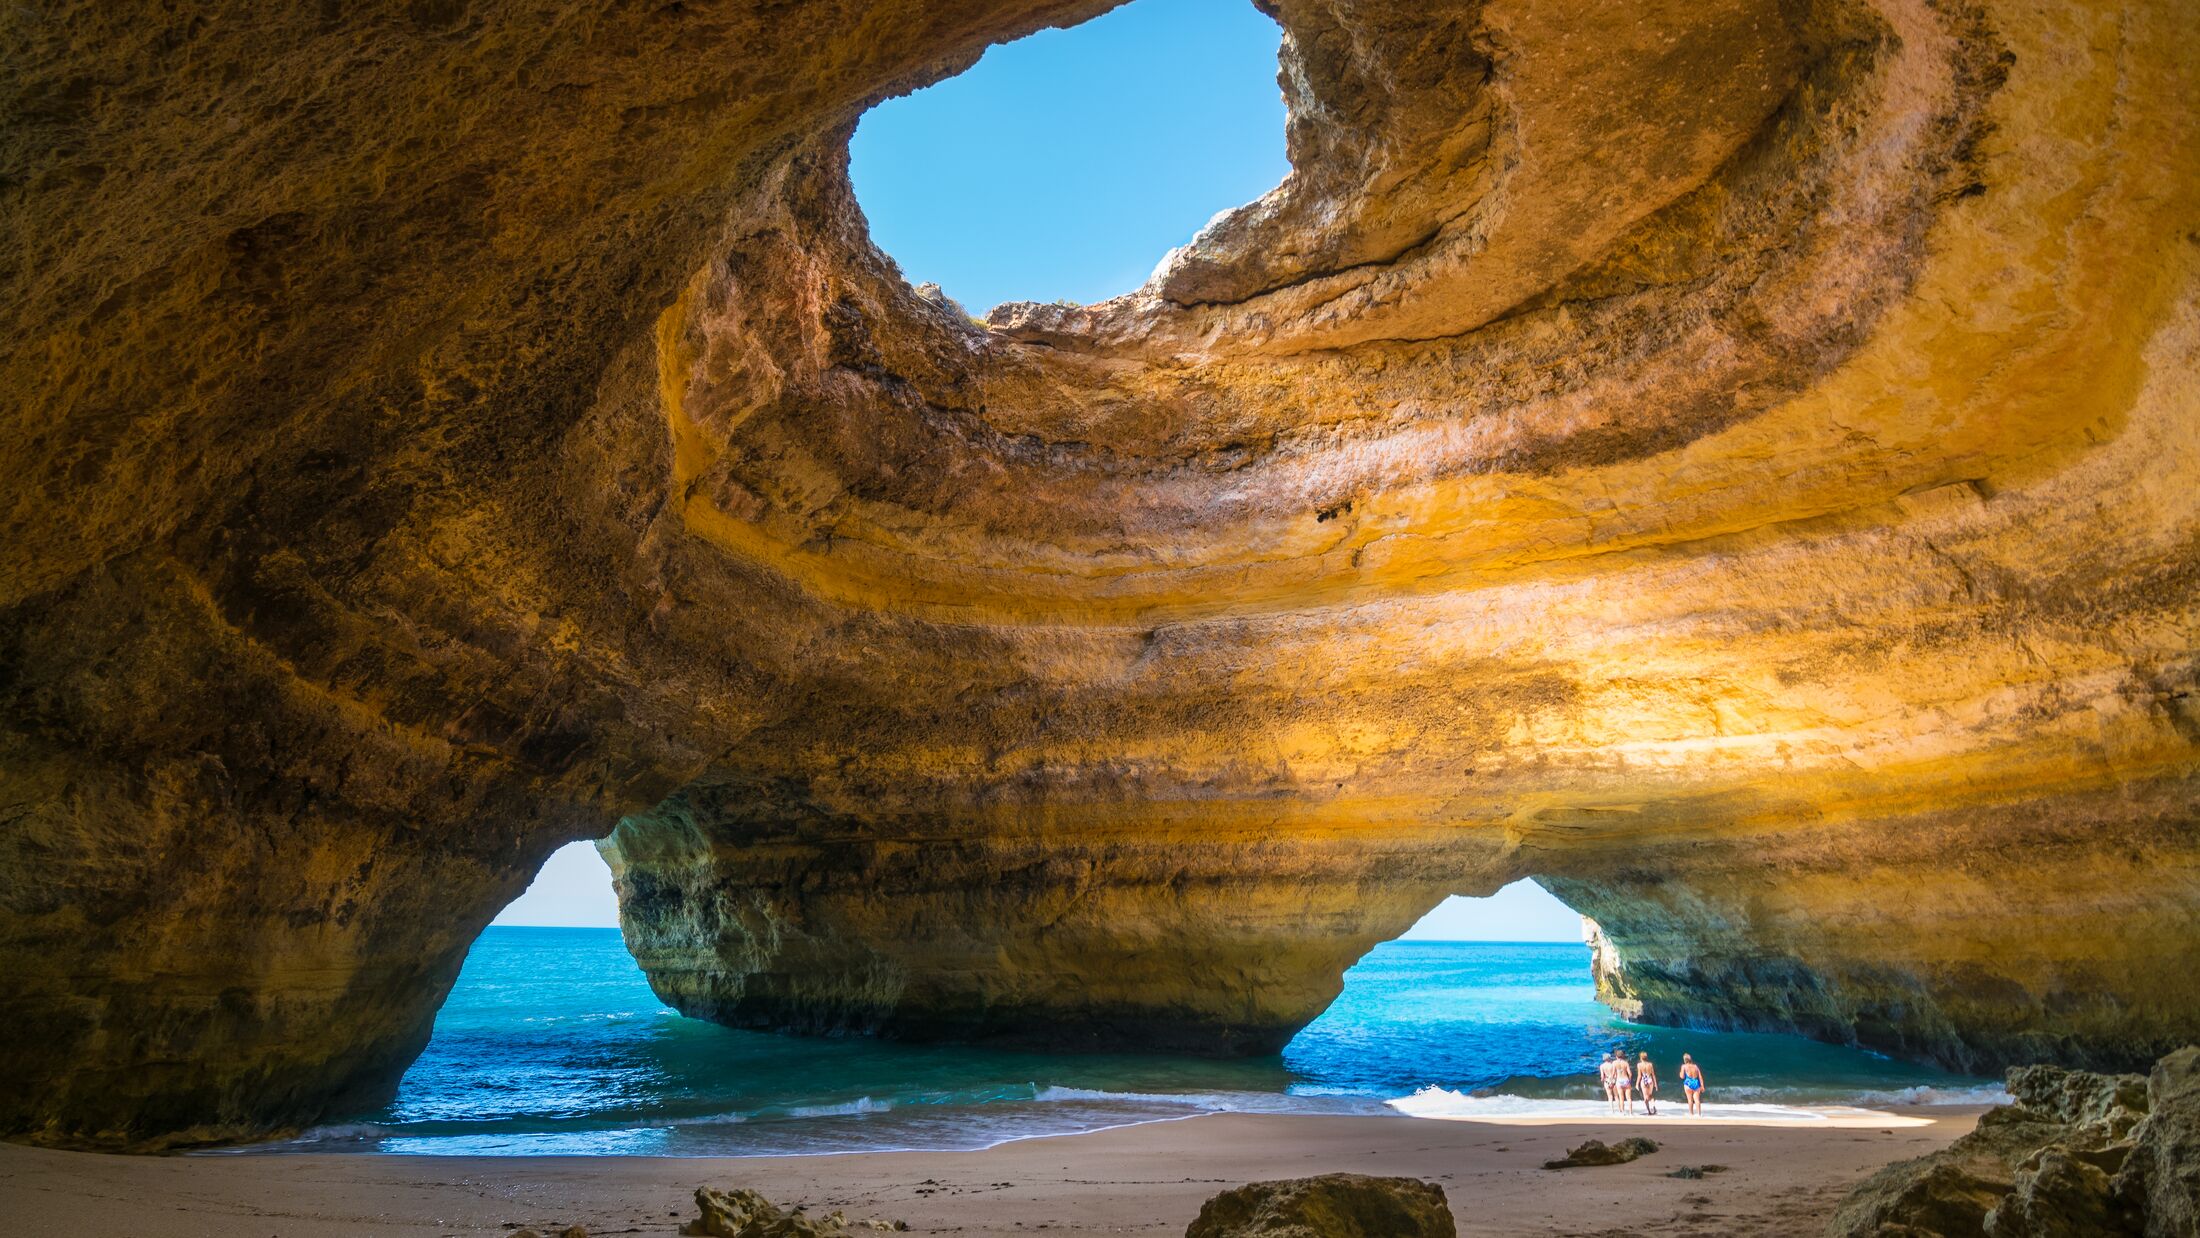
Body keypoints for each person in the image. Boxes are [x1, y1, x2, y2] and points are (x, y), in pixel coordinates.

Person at [1636, 1051, 1659, 1116]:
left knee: (1645, 1097)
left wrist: (1637, 1084)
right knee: (1650, 1095)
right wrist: (1655, 1084)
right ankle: (1654, 1107)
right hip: (1649, 1080)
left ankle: (1649, 1111)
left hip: (1644, 1080)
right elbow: (1653, 1075)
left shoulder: (1639, 1065)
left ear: (1641, 1058)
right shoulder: (1650, 1064)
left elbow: (1639, 1075)